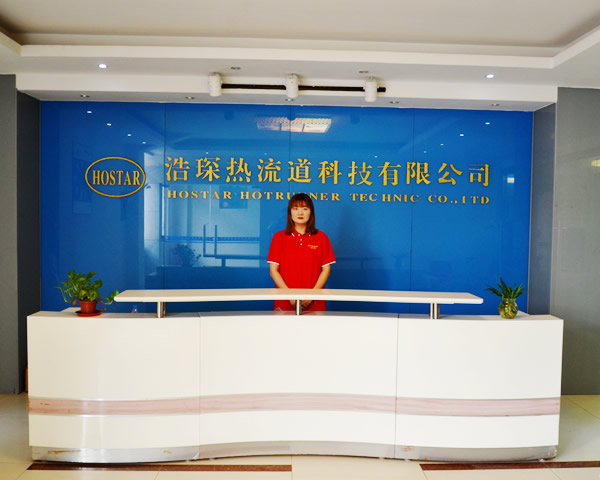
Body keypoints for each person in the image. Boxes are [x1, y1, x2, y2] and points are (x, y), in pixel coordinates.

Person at [267, 193, 336, 311]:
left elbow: (326, 270)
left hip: (315, 300)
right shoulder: (278, 238)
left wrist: (312, 296)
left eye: (305, 209)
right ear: (290, 212)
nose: (300, 213)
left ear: (311, 212)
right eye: (295, 208)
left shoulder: (321, 237)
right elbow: (273, 271)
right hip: (285, 299)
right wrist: (289, 296)